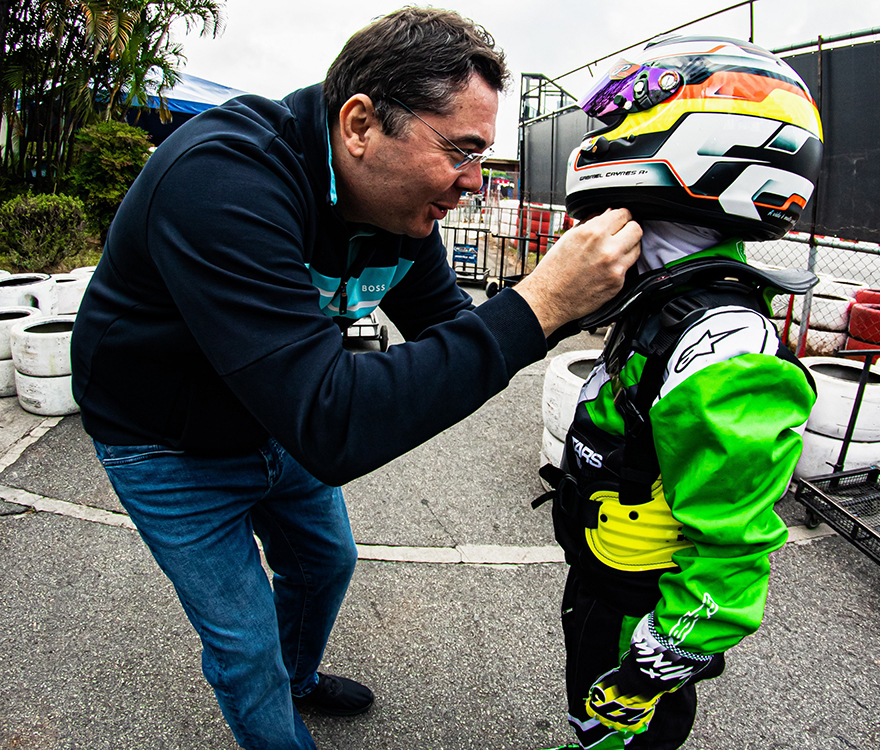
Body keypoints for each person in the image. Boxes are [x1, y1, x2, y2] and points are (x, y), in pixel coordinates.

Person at [70, 8, 641, 750]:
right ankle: (277, 703)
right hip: (164, 441)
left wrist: (591, 295)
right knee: (244, 650)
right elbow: (333, 425)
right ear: (361, 124)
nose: (474, 182)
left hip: (275, 414)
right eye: (462, 152)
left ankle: (299, 674)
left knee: (323, 560)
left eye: (483, 156)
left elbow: (457, 332)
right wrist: (541, 301)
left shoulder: (399, 209)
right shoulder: (222, 180)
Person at [536, 35, 824, 750]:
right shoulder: (664, 295)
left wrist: (657, 662)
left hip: (645, 609)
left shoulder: (722, 341)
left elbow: (732, 550)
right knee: (588, 713)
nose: (601, 143)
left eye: (616, 128)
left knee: (622, 728)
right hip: (603, 577)